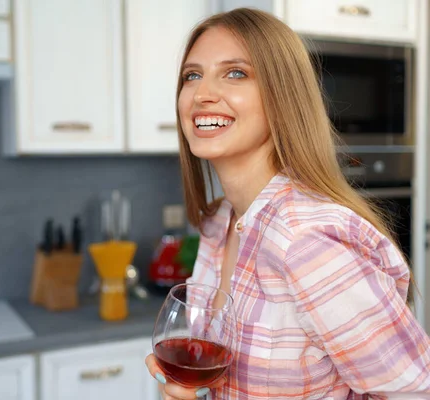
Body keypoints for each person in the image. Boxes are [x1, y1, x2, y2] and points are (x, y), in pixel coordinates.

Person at [145, 8, 430, 400]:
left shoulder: (307, 242)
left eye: (235, 73)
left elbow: (416, 391)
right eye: (192, 75)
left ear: (283, 96)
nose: (202, 94)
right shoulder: (219, 224)